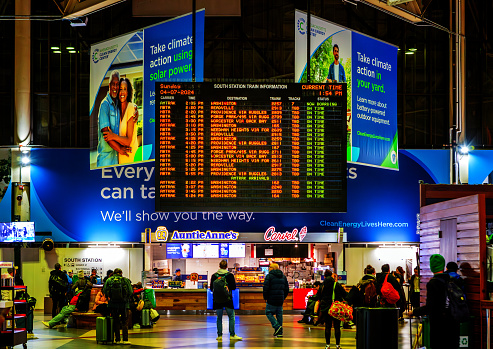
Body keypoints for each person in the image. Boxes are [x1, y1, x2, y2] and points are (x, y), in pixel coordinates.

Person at [411, 254, 460, 348]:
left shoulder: (433, 283)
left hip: (439, 325)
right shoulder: (453, 280)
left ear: (432, 267)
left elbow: (430, 307)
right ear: (443, 266)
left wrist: (414, 311)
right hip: (453, 323)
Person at [102, 77, 139, 164]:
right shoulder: (116, 111)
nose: (122, 92)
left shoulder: (131, 108)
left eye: (125, 89)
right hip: (120, 157)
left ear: (128, 92)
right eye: (120, 89)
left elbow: (128, 140)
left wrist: (113, 136)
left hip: (131, 156)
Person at [97, 70, 125, 167]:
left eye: (118, 85)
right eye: (113, 84)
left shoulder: (118, 105)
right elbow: (107, 136)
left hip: (118, 159)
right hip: (106, 161)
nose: (115, 87)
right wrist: (121, 149)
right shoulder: (104, 105)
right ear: (109, 85)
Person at [210, 259, 242, 341]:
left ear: (219, 266)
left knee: (219, 317)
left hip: (217, 299)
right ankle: (232, 335)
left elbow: (211, 288)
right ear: (226, 266)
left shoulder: (214, 276)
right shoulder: (230, 275)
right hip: (227, 299)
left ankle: (219, 336)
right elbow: (234, 287)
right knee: (231, 316)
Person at [318, 269, 347, 349]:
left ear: (324, 276)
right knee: (337, 326)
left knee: (328, 326)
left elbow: (318, 296)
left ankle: (327, 345)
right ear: (331, 276)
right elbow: (344, 294)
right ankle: (338, 345)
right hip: (336, 308)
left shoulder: (322, 285)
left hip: (326, 309)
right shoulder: (336, 284)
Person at [103, 268, 133, 345]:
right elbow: (130, 291)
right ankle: (125, 340)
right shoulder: (125, 280)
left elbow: (105, 291)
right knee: (124, 322)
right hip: (124, 304)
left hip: (113, 304)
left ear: (114, 273)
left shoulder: (109, 280)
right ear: (121, 273)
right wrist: (126, 298)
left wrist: (110, 297)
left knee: (116, 321)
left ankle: (117, 339)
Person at [263, 263, 289, 337]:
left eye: (269, 267)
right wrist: (283, 297)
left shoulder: (269, 276)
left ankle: (277, 327)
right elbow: (286, 289)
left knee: (268, 313)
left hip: (271, 299)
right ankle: (279, 333)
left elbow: (265, 289)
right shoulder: (283, 277)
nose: (268, 268)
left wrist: (265, 297)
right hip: (280, 300)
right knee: (279, 315)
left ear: (272, 268)